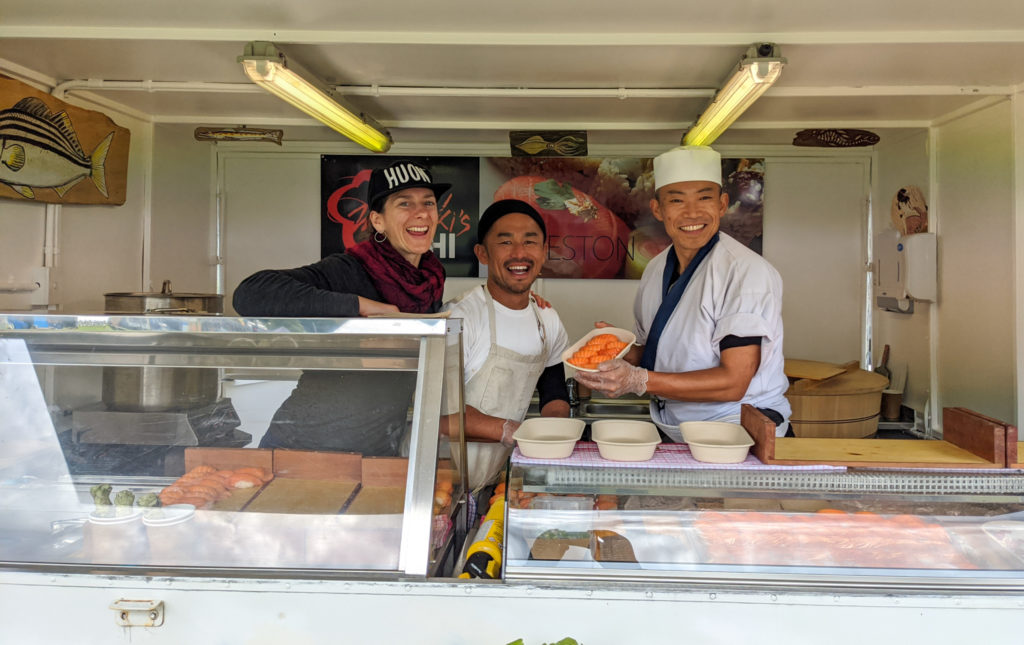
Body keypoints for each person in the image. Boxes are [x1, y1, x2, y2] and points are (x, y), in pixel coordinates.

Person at [232, 159, 450, 454]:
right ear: (377, 221)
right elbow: (251, 292)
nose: (421, 212)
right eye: (404, 203)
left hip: (375, 448)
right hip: (304, 445)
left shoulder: (429, 279)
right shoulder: (349, 269)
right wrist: (360, 306)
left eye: (428, 202)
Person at [573, 145, 791, 440]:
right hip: (679, 429)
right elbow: (661, 354)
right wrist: (617, 349)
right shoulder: (654, 270)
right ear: (657, 210)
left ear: (722, 204)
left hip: (741, 432)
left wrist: (638, 380)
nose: (692, 212)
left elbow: (734, 382)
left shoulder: (744, 272)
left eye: (704, 198)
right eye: (677, 200)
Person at [443, 199, 571, 448]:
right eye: (505, 242)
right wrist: (509, 430)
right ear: (482, 253)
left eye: (530, 241)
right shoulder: (459, 318)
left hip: (500, 476)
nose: (519, 253)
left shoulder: (547, 320)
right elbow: (439, 418)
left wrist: (554, 435)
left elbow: (554, 394)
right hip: (445, 474)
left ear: (544, 251)